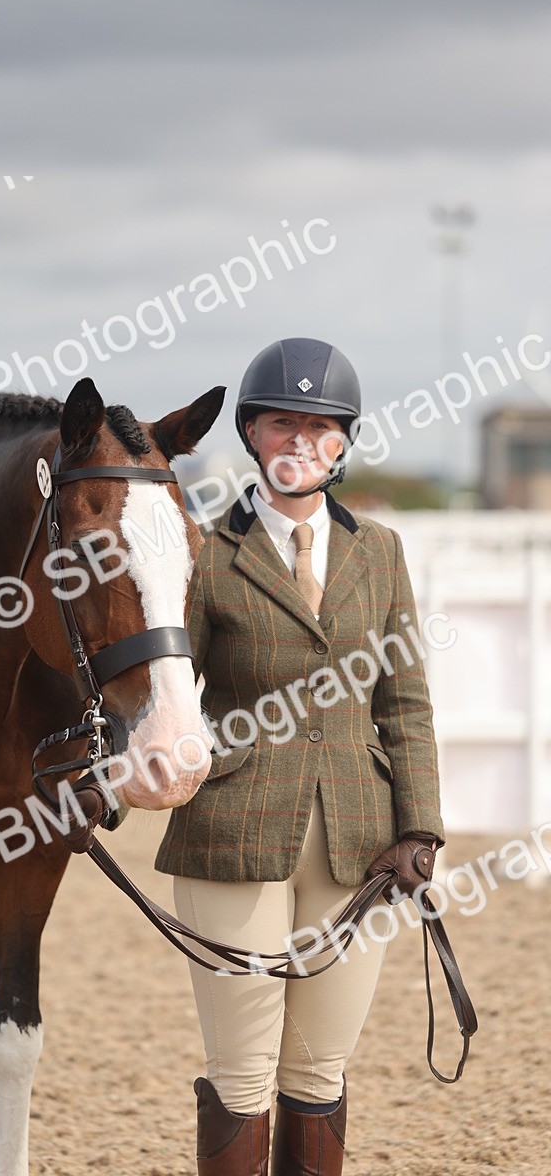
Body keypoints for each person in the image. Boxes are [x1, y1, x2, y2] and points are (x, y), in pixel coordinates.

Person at [154, 338, 445, 1176]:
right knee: (242, 1073)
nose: (302, 443)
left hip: (361, 838)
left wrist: (420, 825)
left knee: (319, 1069)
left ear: (344, 442)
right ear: (251, 433)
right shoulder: (207, 552)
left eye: (322, 428)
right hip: (233, 832)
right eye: (284, 424)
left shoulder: (379, 553)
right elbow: (171, 689)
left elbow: (406, 702)